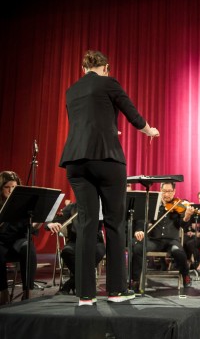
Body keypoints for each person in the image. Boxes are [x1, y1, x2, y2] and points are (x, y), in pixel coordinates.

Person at [59, 50, 160, 306]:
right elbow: (132, 113)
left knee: (86, 224)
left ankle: (85, 295)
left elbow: (84, 124)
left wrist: (109, 129)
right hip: (106, 159)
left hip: (75, 161)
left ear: (84, 69)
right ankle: (115, 291)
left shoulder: (72, 90)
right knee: (114, 224)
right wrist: (150, 130)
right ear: (105, 67)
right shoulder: (109, 82)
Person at [131, 182, 195, 290]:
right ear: (161, 191)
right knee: (138, 247)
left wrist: (187, 216)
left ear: (174, 192)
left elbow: (183, 224)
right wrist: (139, 230)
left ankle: (185, 275)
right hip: (154, 241)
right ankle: (136, 280)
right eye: (164, 191)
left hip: (172, 241)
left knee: (178, 252)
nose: (167, 194)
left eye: (170, 191)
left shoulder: (179, 206)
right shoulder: (153, 204)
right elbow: (142, 219)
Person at [46, 202, 106, 295]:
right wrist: (51, 224)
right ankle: (84, 281)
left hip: (95, 242)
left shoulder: (100, 207)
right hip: (75, 241)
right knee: (66, 252)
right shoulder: (72, 207)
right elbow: (56, 220)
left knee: (98, 252)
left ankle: (69, 284)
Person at [0, 171, 40, 304]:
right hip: (2, 243)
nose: (11, 190)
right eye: (7, 187)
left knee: (28, 247)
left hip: (18, 241)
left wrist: (41, 219)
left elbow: (32, 228)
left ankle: (27, 292)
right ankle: (3, 292)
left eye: (14, 187)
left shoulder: (23, 204)